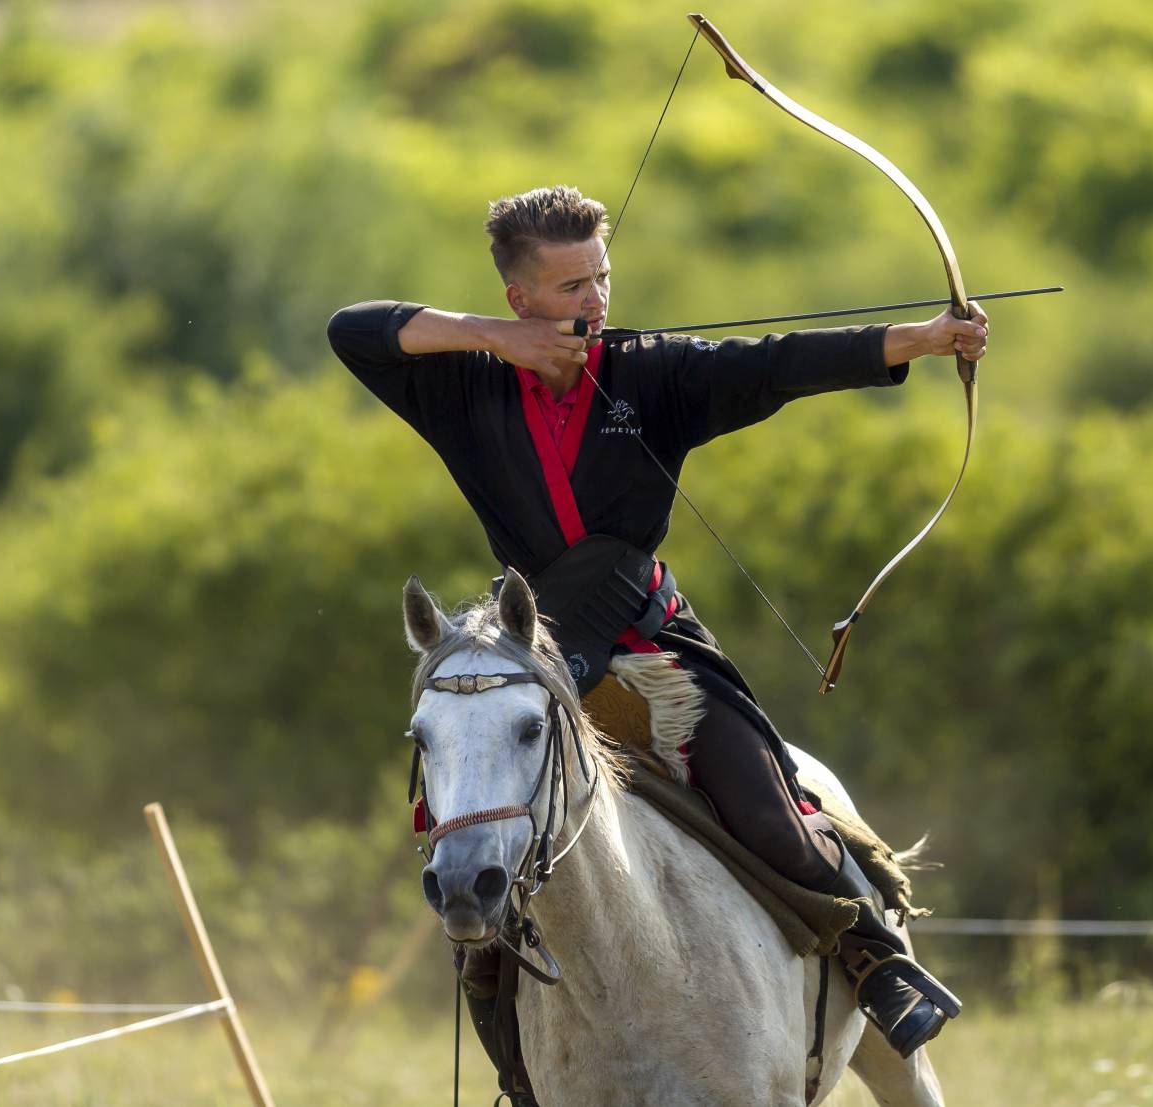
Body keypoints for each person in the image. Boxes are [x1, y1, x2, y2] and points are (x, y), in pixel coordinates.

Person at [328, 185, 987, 1097]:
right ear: (520, 297)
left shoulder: (650, 374)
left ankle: (875, 959)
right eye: (568, 288)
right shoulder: (463, 383)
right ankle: (526, 1074)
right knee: (484, 879)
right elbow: (352, 329)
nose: (594, 301)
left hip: (652, 647)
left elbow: (775, 361)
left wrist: (916, 339)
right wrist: (493, 339)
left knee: (769, 812)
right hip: (538, 654)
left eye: (601, 277)